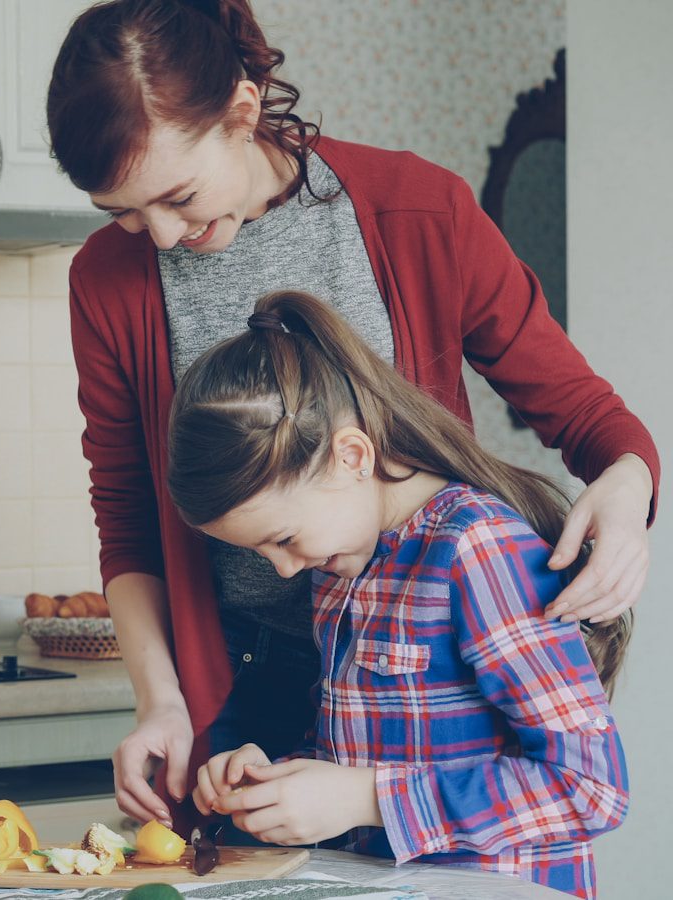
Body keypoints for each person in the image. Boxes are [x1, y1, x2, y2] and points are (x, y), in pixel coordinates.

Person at [45, 0, 658, 832]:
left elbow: (586, 414)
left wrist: (626, 489)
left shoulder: (418, 209)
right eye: (121, 211)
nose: (157, 235)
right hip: (245, 676)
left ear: (242, 111)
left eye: (178, 196)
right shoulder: (106, 282)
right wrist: (163, 703)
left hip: (430, 679)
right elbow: (128, 518)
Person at [171, 291, 629, 899]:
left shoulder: (477, 548)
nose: (283, 570)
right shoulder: (339, 567)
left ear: (352, 456)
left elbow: (591, 789)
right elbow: (373, 743)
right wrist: (277, 778)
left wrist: (365, 798)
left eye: (282, 538)